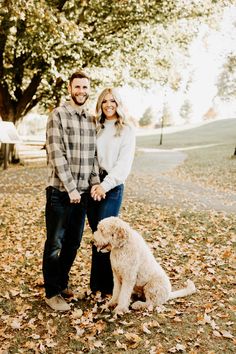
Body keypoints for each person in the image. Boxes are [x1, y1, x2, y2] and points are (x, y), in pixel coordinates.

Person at [42, 70, 102, 311]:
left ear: (89, 89)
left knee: (73, 242)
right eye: (77, 87)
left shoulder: (91, 119)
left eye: (85, 87)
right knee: (55, 243)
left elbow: (93, 156)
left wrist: (95, 182)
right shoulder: (57, 115)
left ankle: (61, 282)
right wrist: (71, 188)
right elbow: (57, 154)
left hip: (84, 193)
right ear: (70, 89)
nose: (81, 91)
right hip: (60, 192)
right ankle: (51, 292)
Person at [87, 88, 136, 295]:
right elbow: (90, 156)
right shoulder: (95, 126)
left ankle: (109, 288)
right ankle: (96, 286)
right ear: (100, 103)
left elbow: (123, 165)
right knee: (97, 238)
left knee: (107, 239)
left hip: (112, 188)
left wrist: (104, 186)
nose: (108, 104)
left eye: (112, 101)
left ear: (118, 103)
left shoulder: (127, 130)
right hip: (92, 185)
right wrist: (95, 184)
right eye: (105, 101)